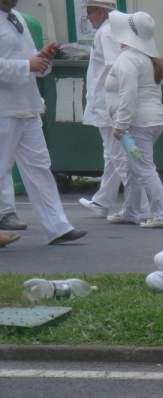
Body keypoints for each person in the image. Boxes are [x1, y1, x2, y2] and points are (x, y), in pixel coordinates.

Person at [0, 0, 87, 244]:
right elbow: (21, 64)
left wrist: (42, 60)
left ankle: (58, 226)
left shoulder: (17, 18)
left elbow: (31, 62)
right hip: (4, 108)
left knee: (39, 168)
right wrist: (27, 65)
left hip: (27, 105)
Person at [105, 11, 163, 228]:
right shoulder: (148, 59)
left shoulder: (127, 59)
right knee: (135, 167)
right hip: (153, 120)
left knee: (143, 168)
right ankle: (132, 210)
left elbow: (128, 94)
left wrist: (120, 124)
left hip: (137, 123)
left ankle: (162, 214)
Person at [78, 0, 127, 218]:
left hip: (108, 103)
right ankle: (102, 201)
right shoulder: (116, 30)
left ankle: (144, 204)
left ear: (101, 10)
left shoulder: (105, 33)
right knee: (113, 155)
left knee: (119, 156)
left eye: (90, 11)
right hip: (112, 103)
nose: (88, 16)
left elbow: (114, 66)